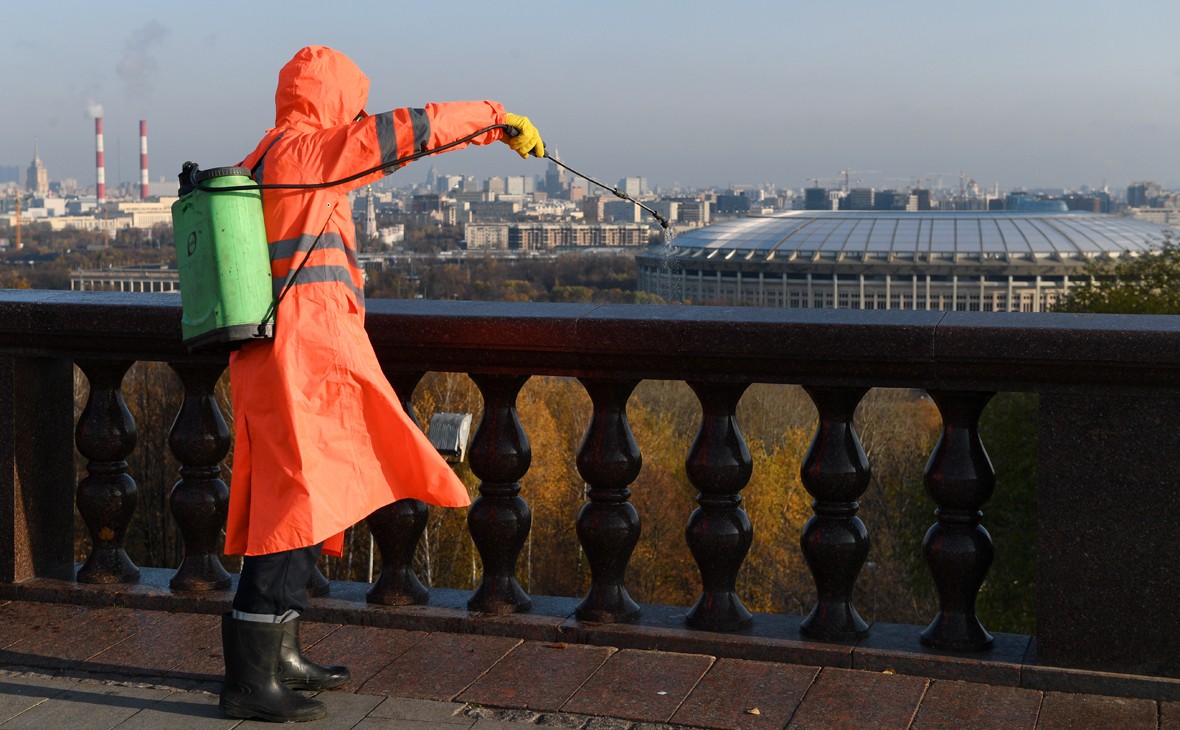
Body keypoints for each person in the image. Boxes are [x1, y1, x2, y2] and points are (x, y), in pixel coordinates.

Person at [218, 45, 544, 723]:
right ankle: (249, 678)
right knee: (288, 508)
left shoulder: (267, 155)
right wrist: (495, 118)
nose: (356, 117)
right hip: (299, 361)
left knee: (306, 498)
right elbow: (405, 133)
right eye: (351, 105)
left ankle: (281, 652)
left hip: (287, 357)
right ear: (332, 99)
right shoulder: (305, 153)